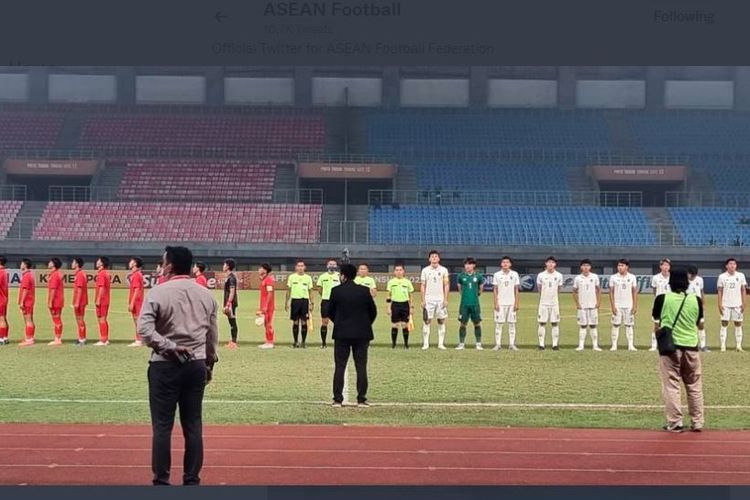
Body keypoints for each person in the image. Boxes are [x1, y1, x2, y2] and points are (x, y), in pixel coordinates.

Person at [138, 246, 219, 486]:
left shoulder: (158, 292)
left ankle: (161, 480)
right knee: (193, 424)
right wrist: (209, 364)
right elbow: (211, 336)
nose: (161, 266)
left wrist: (168, 346)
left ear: (170, 266)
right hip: (195, 364)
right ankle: (191, 479)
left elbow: (144, 331)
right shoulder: (206, 295)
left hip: (164, 364)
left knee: (162, 426)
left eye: (163, 262)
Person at [652, 267, 704, 433]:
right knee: (694, 386)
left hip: (670, 348)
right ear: (688, 283)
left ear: (670, 282)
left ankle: (675, 423)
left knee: (672, 385)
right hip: (691, 347)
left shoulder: (662, 298)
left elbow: (656, 324)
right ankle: (697, 422)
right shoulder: (696, 300)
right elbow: (700, 324)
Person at [329, 263, 377, 408]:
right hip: (362, 334)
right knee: (361, 366)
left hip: (342, 333)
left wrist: (338, 322)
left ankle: (337, 399)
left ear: (343, 275)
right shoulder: (364, 291)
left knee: (340, 366)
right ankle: (361, 399)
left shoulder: (336, 291)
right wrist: (365, 324)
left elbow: (329, 311)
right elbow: (373, 312)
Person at [420, 250, 450, 350]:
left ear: (439, 258)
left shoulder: (444, 270)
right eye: (432, 256)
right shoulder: (425, 270)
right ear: (429, 259)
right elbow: (423, 285)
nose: (434, 258)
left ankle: (440, 344)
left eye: (436, 256)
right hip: (429, 300)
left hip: (440, 300)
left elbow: (446, 285)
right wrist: (423, 299)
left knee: (441, 320)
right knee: (426, 321)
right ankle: (426, 343)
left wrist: (445, 299)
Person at [609, 258, 639, 352]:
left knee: (629, 325)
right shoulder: (613, 277)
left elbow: (634, 292)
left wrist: (634, 305)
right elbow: (611, 292)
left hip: (628, 305)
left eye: (622, 265)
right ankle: (614, 345)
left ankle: (630, 345)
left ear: (627, 267)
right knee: (615, 324)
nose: (619, 267)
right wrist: (613, 306)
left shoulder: (632, 277)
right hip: (617, 305)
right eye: (618, 265)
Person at [717, 257, 746, 352]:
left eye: (734, 264)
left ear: (736, 265)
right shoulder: (722, 277)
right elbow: (720, 291)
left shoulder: (741, 276)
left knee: (738, 324)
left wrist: (744, 303)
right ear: (726, 266)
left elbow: (743, 290)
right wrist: (719, 304)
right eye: (730, 264)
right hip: (725, 304)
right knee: (724, 323)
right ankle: (722, 346)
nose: (732, 265)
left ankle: (738, 346)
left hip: (738, 304)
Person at [572, 259, 602, 351]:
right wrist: (577, 304)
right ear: (581, 267)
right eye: (584, 265)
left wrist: (598, 302)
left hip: (593, 305)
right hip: (582, 306)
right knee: (583, 325)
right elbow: (574, 292)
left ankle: (595, 345)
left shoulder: (595, 277)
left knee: (593, 325)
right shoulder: (578, 278)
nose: (586, 267)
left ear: (590, 267)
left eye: (587, 265)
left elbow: (598, 290)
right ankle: (581, 345)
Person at [492, 256, 520, 351]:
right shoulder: (497, 275)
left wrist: (516, 303)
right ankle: (498, 344)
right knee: (499, 324)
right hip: (500, 303)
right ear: (501, 264)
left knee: (512, 324)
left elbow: (516, 289)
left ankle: (512, 344)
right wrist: (496, 302)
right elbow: (495, 290)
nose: (505, 264)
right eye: (503, 262)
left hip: (511, 303)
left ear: (510, 264)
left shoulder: (515, 274)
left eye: (507, 262)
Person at [456, 257, 484, 350]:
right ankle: (461, 344)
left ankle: (478, 344)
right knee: (463, 324)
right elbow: (459, 289)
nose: (467, 266)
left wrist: (476, 294)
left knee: (477, 323)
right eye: (466, 264)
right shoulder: (461, 276)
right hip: (464, 304)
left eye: (469, 264)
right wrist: (464, 295)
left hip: (475, 304)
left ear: (473, 265)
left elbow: (481, 289)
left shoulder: (478, 276)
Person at [536, 256, 564, 350]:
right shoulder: (541, 275)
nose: (551, 264)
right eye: (549, 262)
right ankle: (541, 345)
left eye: (552, 262)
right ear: (546, 264)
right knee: (542, 323)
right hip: (543, 303)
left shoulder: (559, 275)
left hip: (554, 303)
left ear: (555, 264)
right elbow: (539, 288)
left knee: (555, 323)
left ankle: (555, 345)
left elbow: (559, 289)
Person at [285, 260, 314, 348]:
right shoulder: (292, 277)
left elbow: (311, 291)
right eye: (298, 266)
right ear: (296, 267)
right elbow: (288, 290)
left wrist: (312, 303)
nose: (300, 268)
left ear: (305, 267)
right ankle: (295, 342)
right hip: (295, 301)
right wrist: (286, 302)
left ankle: (303, 342)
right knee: (295, 322)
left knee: (304, 322)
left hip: (304, 301)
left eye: (302, 266)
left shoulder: (308, 278)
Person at [386, 263, 414, 349]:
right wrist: (388, 307)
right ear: (394, 272)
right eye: (397, 270)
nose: (399, 272)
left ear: (403, 271)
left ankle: (406, 344)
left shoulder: (407, 282)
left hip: (405, 304)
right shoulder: (391, 282)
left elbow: (411, 296)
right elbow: (388, 296)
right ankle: (393, 344)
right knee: (394, 325)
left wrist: (411, 307)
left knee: (405, 325)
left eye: (400, 270)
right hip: (395, 304)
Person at [316, 259, 341, 349]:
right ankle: (323, 343)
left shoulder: (339, 276)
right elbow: (319, 288)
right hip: (326, 301)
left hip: (337, 302)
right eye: (330, 264)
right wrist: (325, 295)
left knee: (338, 322)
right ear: (327, 266)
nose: (332, 266)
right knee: (324, 322)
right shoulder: (322, 276)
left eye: (334, 264)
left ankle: (339, 343)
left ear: (336, 266)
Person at [650, 258, 672, 352]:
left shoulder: (673, 277)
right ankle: (654, 345)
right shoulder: (655, 278)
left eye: (667, 265)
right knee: (656, 325)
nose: (666, 267)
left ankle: (668, 344)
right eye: (664, 265)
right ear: (660, 266)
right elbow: (654, 290)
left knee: (670, 325)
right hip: (659, 305)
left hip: (670, 304)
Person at [688, 265, 709, 352]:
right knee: (688, 326)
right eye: (691, 275)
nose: (693, 276)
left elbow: (701, 292)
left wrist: (703, 304)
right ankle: (690, 345)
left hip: (698, 306)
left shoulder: (700, 280)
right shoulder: (683, 280)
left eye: (694, 275)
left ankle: (703, 345)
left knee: (701, 325)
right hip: (687, 306)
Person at [47, 258, 65, 346]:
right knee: (57, 319)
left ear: (54, 264)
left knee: (56, 319)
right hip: (58, 300)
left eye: (50, 262)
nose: (48, 263)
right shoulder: (56, 274)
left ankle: (57, 339)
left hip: (56, 300)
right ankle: (57, 338)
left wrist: (50, 302)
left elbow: (53, 289)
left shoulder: (55, 275)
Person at [128, 257, 145, 347]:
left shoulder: (136, 275)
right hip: (137, 301)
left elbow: (137, 290)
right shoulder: (136, 274)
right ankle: (140, 339)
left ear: (135, 263)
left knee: (137, 321)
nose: (129, 262)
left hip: (137, 302)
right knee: (137, 321)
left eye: (131, 261)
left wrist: (132, 303)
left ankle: (139, 340)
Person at [18, 258, 36, 347]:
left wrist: (21, 302)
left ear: (25, 265)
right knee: (30, 320)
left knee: (28, 320)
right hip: (30, 300)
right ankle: (30, 337)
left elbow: (25, 290)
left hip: (27, 301)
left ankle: (29, 339)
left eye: (21, 263)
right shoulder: (29, 275)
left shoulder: (26, 276)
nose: (20, 265)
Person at [94, 256, 112, 346]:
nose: (97, 262)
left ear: (102, 263)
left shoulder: (102, 274)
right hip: (105, 299)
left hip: (102, 300)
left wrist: (98, 299)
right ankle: (105, 338)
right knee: (103, 319)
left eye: (98, 260)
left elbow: (101, 287)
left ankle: (103, 339)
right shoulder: (105, 273)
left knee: (101, 319)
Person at [71, 257, 88, 346]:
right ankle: (81, 338)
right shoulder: (78, 274)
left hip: (80, 301)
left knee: (80, 319)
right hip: (80, 301)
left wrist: (77, 302)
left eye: (73, 262)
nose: (72, 263)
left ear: (77, 264)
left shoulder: (80, 274)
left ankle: (82, 339)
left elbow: (80, 289)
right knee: (79, 320)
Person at [257, 263, 275, 349]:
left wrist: (266, 306)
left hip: (268, 306)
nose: (259, 270)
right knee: (265, 324)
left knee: (268, 324)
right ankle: (267, 341)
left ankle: (270, 342)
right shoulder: (264, 280)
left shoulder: (268, 280)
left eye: (260, 268)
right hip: (264, 305)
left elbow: (270, 293)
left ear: (265, 270)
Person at [223, 259, 239, 349]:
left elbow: (232, 291)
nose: (223, 266)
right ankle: (232, 341)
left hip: (231, 303)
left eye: (224, 264)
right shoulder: (228, 277)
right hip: (229, 302)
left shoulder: (231, 278)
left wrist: (229, 303)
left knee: (232, 321)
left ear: (228, 266)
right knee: (231, 321)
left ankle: (234, 342)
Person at [0, 256, 8, 345]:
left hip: (0, 298)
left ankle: (1, 338)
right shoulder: (4, 272)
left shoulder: (1, 272)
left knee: (1, 318)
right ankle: (4, 337)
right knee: (3, 318)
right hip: (3, 298)